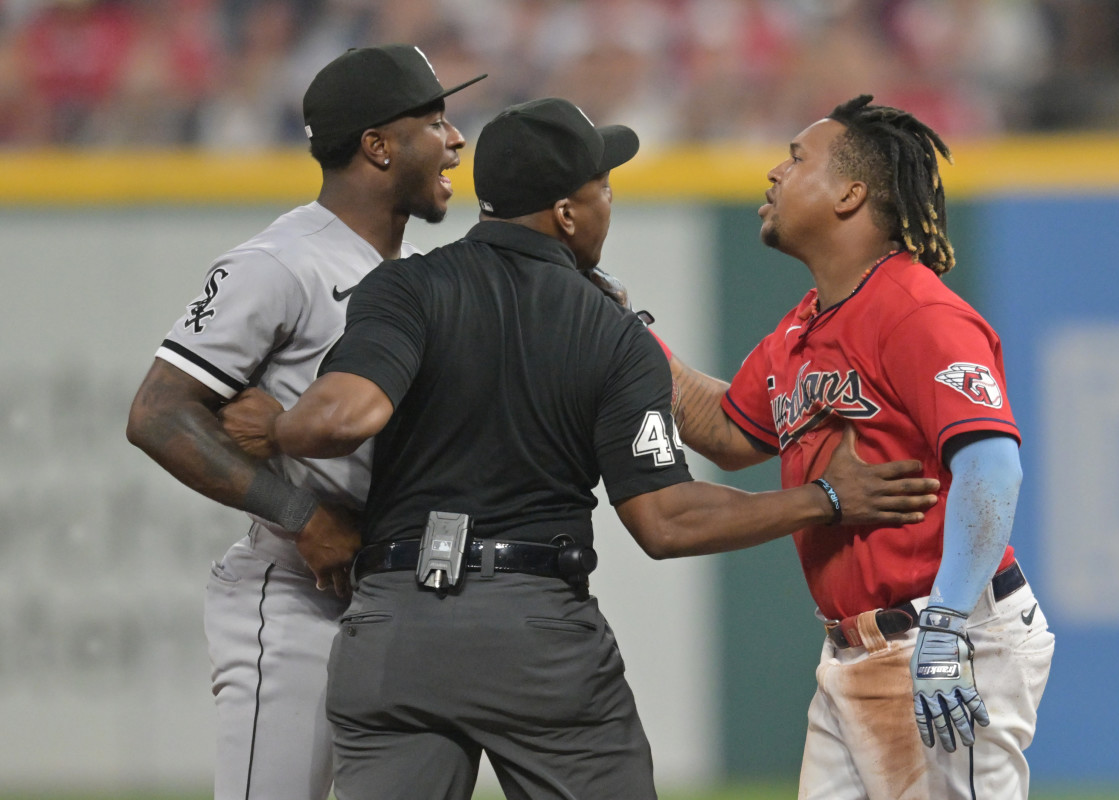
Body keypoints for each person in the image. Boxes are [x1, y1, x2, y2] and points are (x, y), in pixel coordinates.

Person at [217, 96, 941, 800]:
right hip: (531, 635)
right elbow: (665, 522)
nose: (607, 204)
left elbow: (344, 414)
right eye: (602, 190)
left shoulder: (403, 288)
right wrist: (826, 500)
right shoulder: (609, 332)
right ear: (565, 214)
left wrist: (275, 427)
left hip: (394, 629)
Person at [663, 94, 1055, 799]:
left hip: (943, 637)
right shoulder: (801, 330)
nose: (775, 174)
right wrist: (621, 334)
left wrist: (946, 626)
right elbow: (725, 431)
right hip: (852, 653)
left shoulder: (917, 310)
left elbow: (994, 467)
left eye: (796, 158)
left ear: (851, 192)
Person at [125, 45, 485, 800]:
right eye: (434, 121)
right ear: (378, 146)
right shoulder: (282, 262)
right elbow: (157, 414)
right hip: (297, 592)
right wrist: (301, 515)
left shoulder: (411, 273)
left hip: (394, 592)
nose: (454, 140)